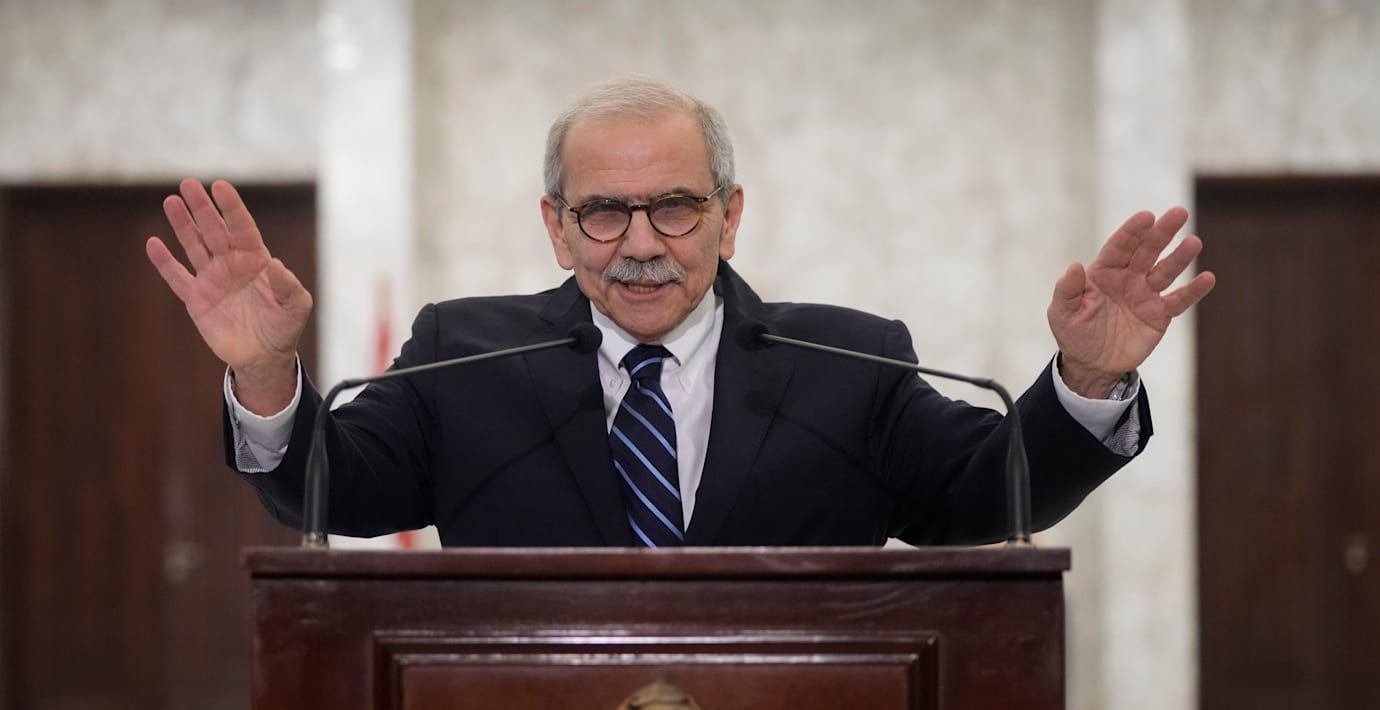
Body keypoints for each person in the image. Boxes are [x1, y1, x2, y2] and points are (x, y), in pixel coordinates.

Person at [144, 76, 1215, 547]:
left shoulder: (849, 361)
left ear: (728, 215)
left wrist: (1087, 380)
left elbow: (990, 493)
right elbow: (331, 490)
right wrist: (266, 376)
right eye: (604, 212)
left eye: (675, 205)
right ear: (558, 227)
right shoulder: (459, 354)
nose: (642, 242)